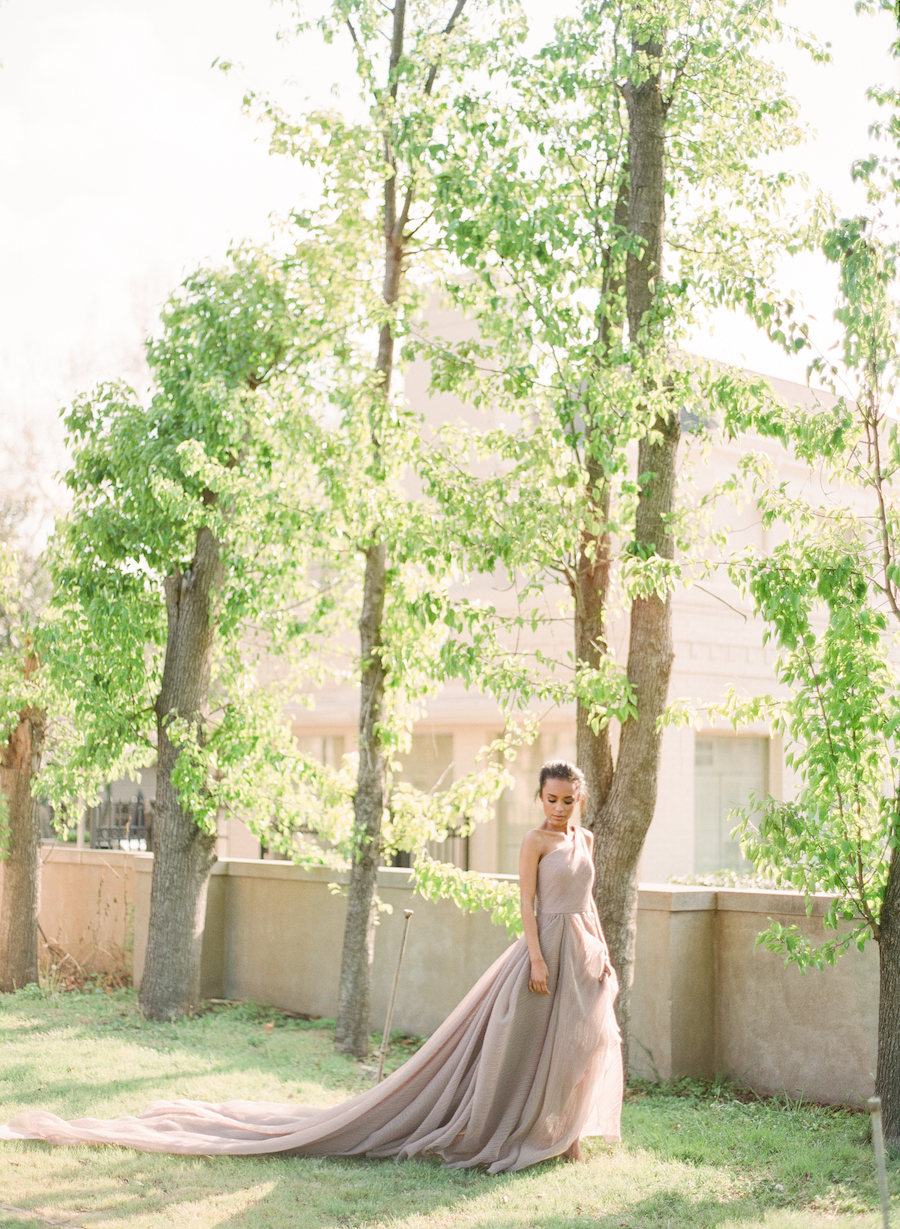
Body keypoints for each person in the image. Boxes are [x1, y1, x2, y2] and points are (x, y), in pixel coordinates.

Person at [0, 760, 622, 1173]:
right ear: (539, 798)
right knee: (523, 1042)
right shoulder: (534, 841)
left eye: (569, 800)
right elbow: (527, 902)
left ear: (581, 799)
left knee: (578, 1041)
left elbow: (586, 899)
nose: (560, 808)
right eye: (551, 798)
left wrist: (599, 950)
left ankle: (563, 1135)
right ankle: (512, 1132)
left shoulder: (585, 840)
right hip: (543, 951)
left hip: (583, 947)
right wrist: (537, 956)